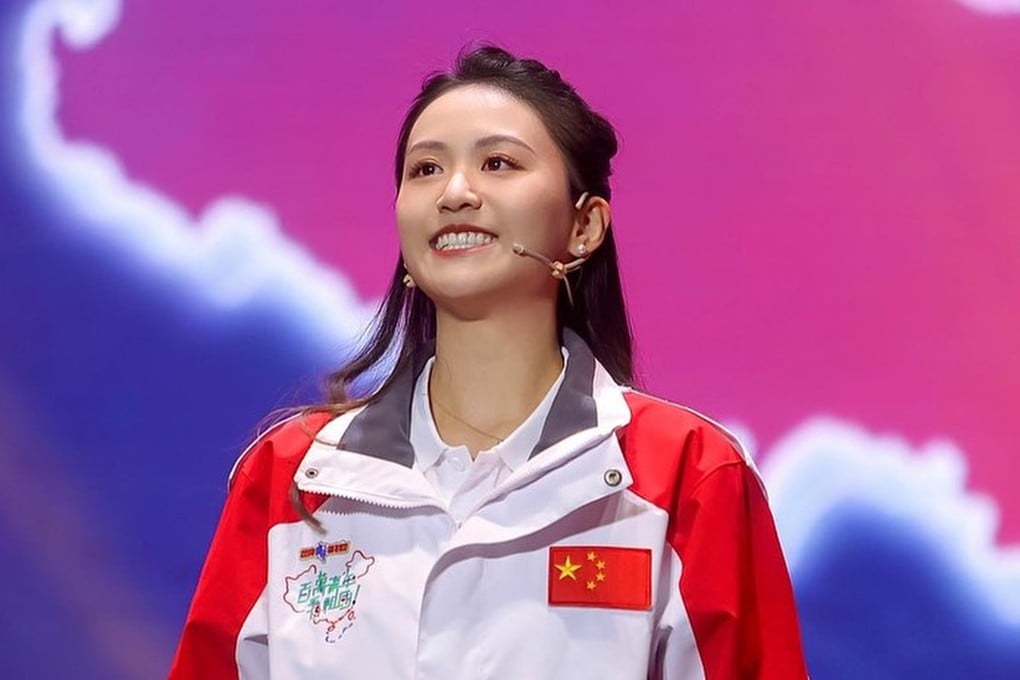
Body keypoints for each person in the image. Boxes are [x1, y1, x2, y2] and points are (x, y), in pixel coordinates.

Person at [169, 45, 808, 679]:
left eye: (498, 163)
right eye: (425, 170)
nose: (454, 193)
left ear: (584, 227)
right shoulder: (289, 475)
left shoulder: (690, 474)